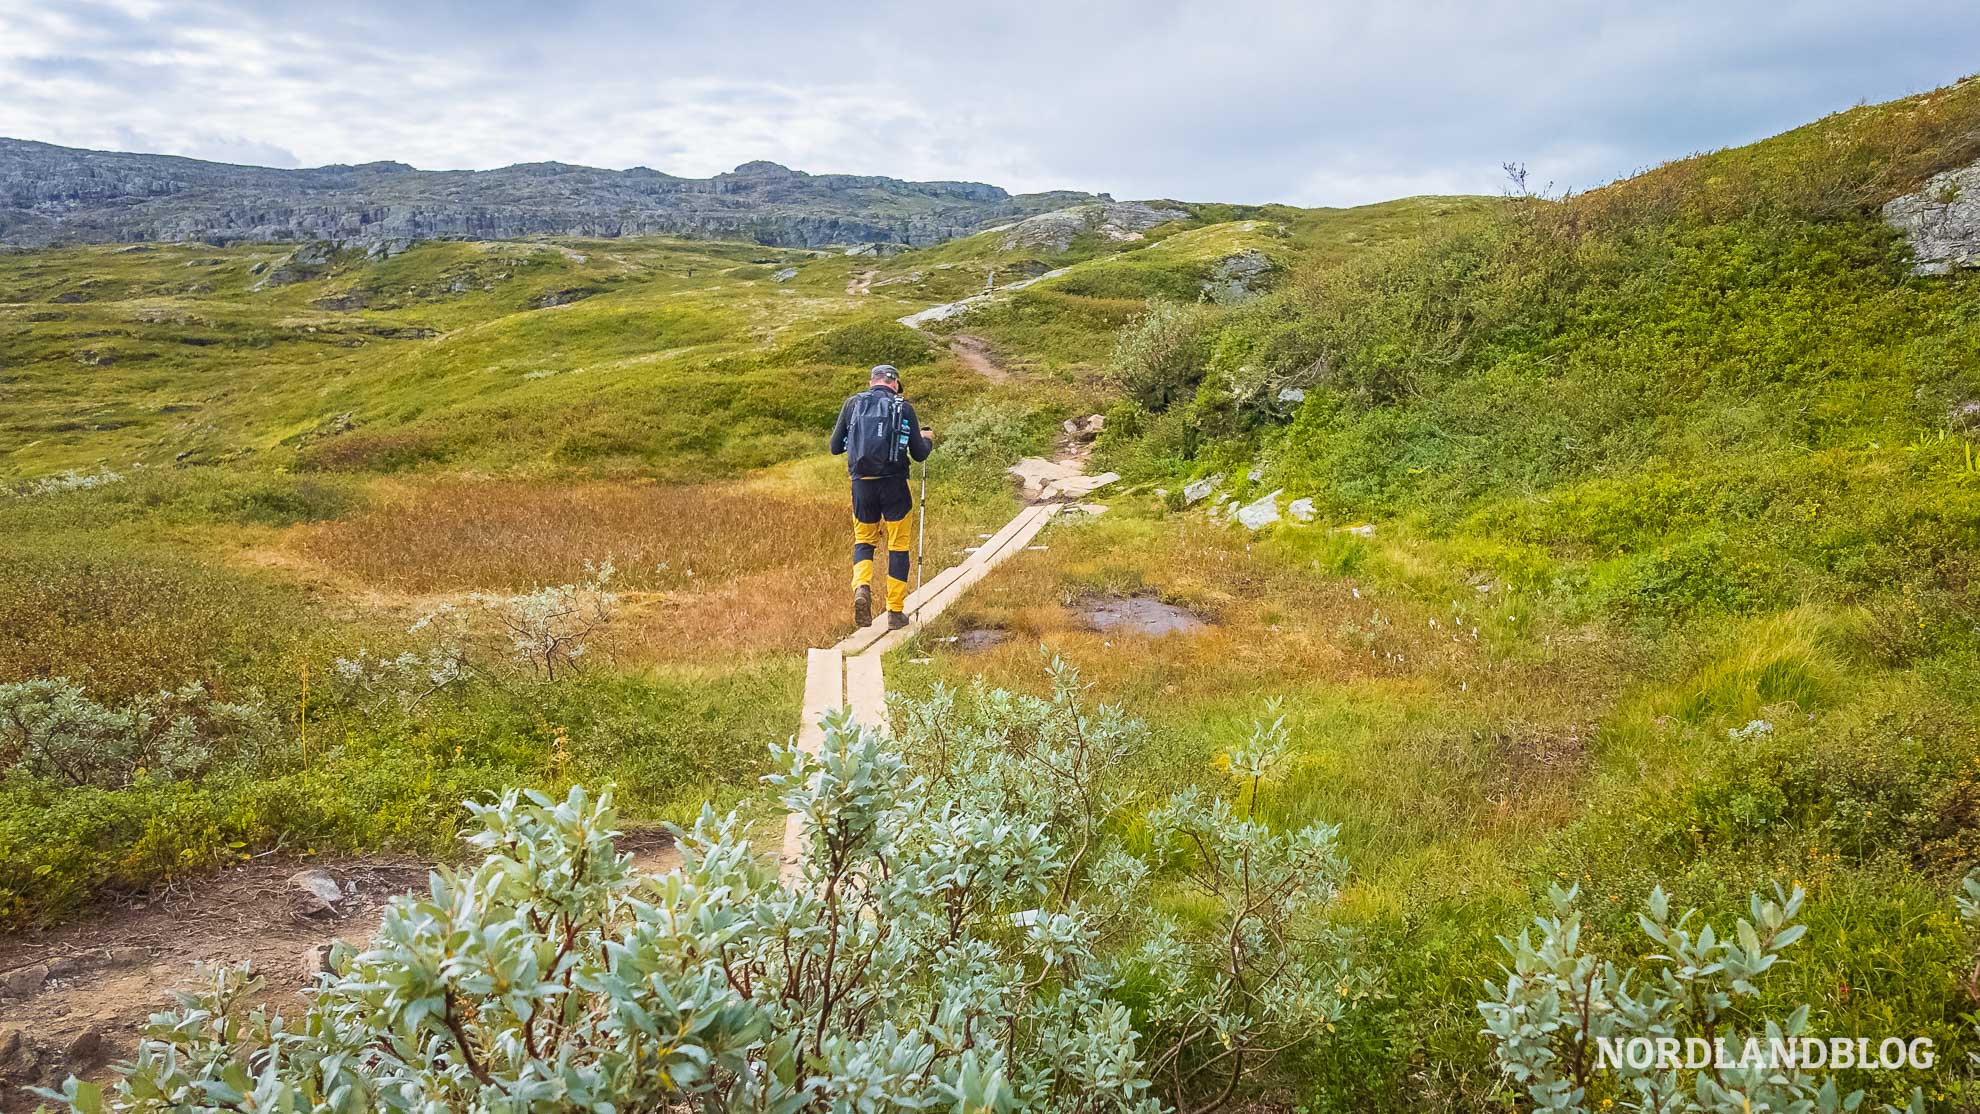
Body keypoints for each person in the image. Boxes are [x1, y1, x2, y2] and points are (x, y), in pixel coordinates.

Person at [829, 364, 932, 630]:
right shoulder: (903, 407)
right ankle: (895, 612)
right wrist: (927, 439)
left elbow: (834, 447)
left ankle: (862, 587)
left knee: (864, 541)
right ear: (895, 384)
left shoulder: (852, 404)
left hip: (862, 486)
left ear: (871, 382)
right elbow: (919, 453)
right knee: (898, 546)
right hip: (894, 485)